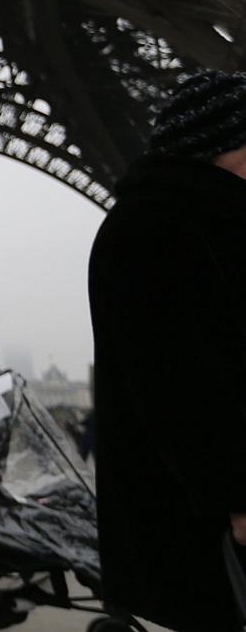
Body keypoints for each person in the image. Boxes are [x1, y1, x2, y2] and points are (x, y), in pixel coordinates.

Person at [89, 70, 246, 632]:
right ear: (224, 141)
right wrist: (237, 497)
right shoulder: (162, 227)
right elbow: (177, 382)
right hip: (209, 511)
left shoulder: (183, 217)